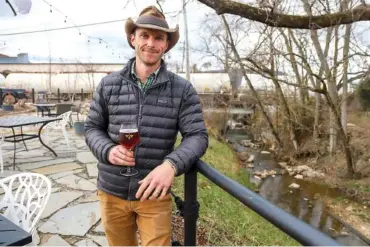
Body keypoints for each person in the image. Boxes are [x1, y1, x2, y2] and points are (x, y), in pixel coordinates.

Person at [84, 5, 209, 247]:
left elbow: (198, 136)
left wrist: (171, 165)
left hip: (154, 194)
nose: (151, 43)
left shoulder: (182, 89)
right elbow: (91, 128)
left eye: (158, 37)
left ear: (166, 45)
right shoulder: (108, 85)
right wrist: (108, 150)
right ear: (133, 39)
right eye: (144, 35)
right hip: (111, 191)